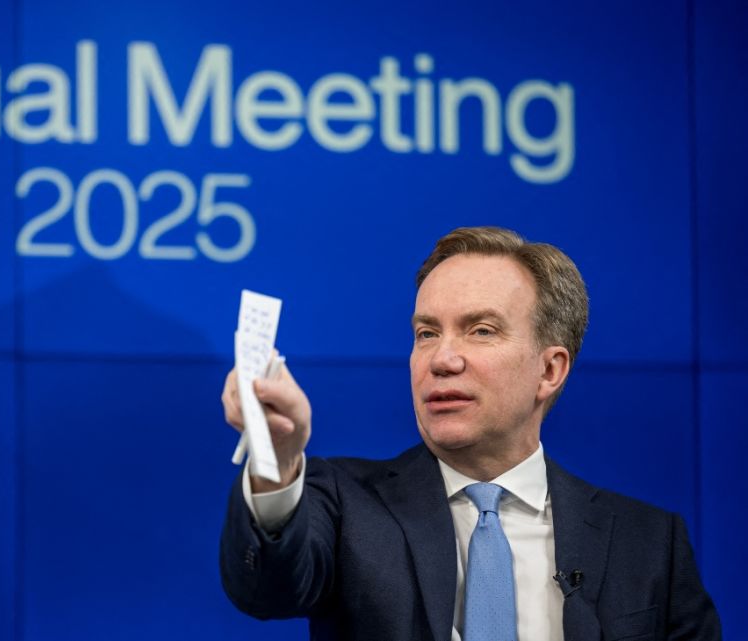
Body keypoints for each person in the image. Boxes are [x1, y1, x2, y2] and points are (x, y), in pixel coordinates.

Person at [219, 227, 720, 641]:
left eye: (481, 330)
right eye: (426, 333)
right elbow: (267, 589)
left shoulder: (650, 543)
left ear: (550, 370)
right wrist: (278, 461)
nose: (442, 359)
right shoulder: (345, 504)